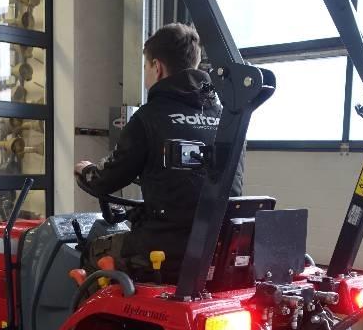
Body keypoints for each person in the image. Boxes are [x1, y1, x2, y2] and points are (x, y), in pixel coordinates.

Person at [74, 22, 244, 282]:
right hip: (216, 249)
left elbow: (106, 180)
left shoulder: (148, 118)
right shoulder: (227, 120)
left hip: (164, 248)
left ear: (157, 66)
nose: (146, 74)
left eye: (145, 67)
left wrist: (86, 170)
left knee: (92, 249)